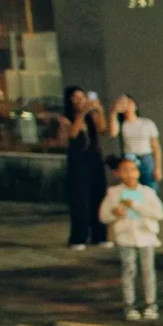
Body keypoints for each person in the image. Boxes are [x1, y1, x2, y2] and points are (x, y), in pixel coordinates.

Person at [97, 155, 163, 320]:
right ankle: (130, 305)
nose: (129, 174)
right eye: (125, 170)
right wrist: (114, 213)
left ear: (138, 173)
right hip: (126, 238)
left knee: (148, 271)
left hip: (146, 237)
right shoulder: (114, 193)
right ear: (118, 174)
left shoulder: (147, 193)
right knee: (129, 270)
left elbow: (159, 213)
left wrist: (135, 205)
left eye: (133, 169)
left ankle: (150, 304)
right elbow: (103, 216)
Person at [63, 87, 109, 249]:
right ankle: (78, 237)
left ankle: (100, 235)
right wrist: (81, 114)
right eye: (75, 98)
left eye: (82, 97)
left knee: (99, 195)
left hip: (94, 158)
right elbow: (72, 134)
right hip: (78, 160)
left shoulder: (91, 116)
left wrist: (99, 110)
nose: (80, 100)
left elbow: (103, 129)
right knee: (80, 199)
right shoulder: (66, 118)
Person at [111, 93, 162, 189]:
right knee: (131, 188)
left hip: (146, 157)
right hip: (129, 158)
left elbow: (156, 147)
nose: (128, 105)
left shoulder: (147, 123)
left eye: (129, 101)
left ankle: (148, 204)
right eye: (124, 103)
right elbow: (113, 132)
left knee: (150, 188)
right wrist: (114, 111)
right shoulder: (122, 124)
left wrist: (158, 168)